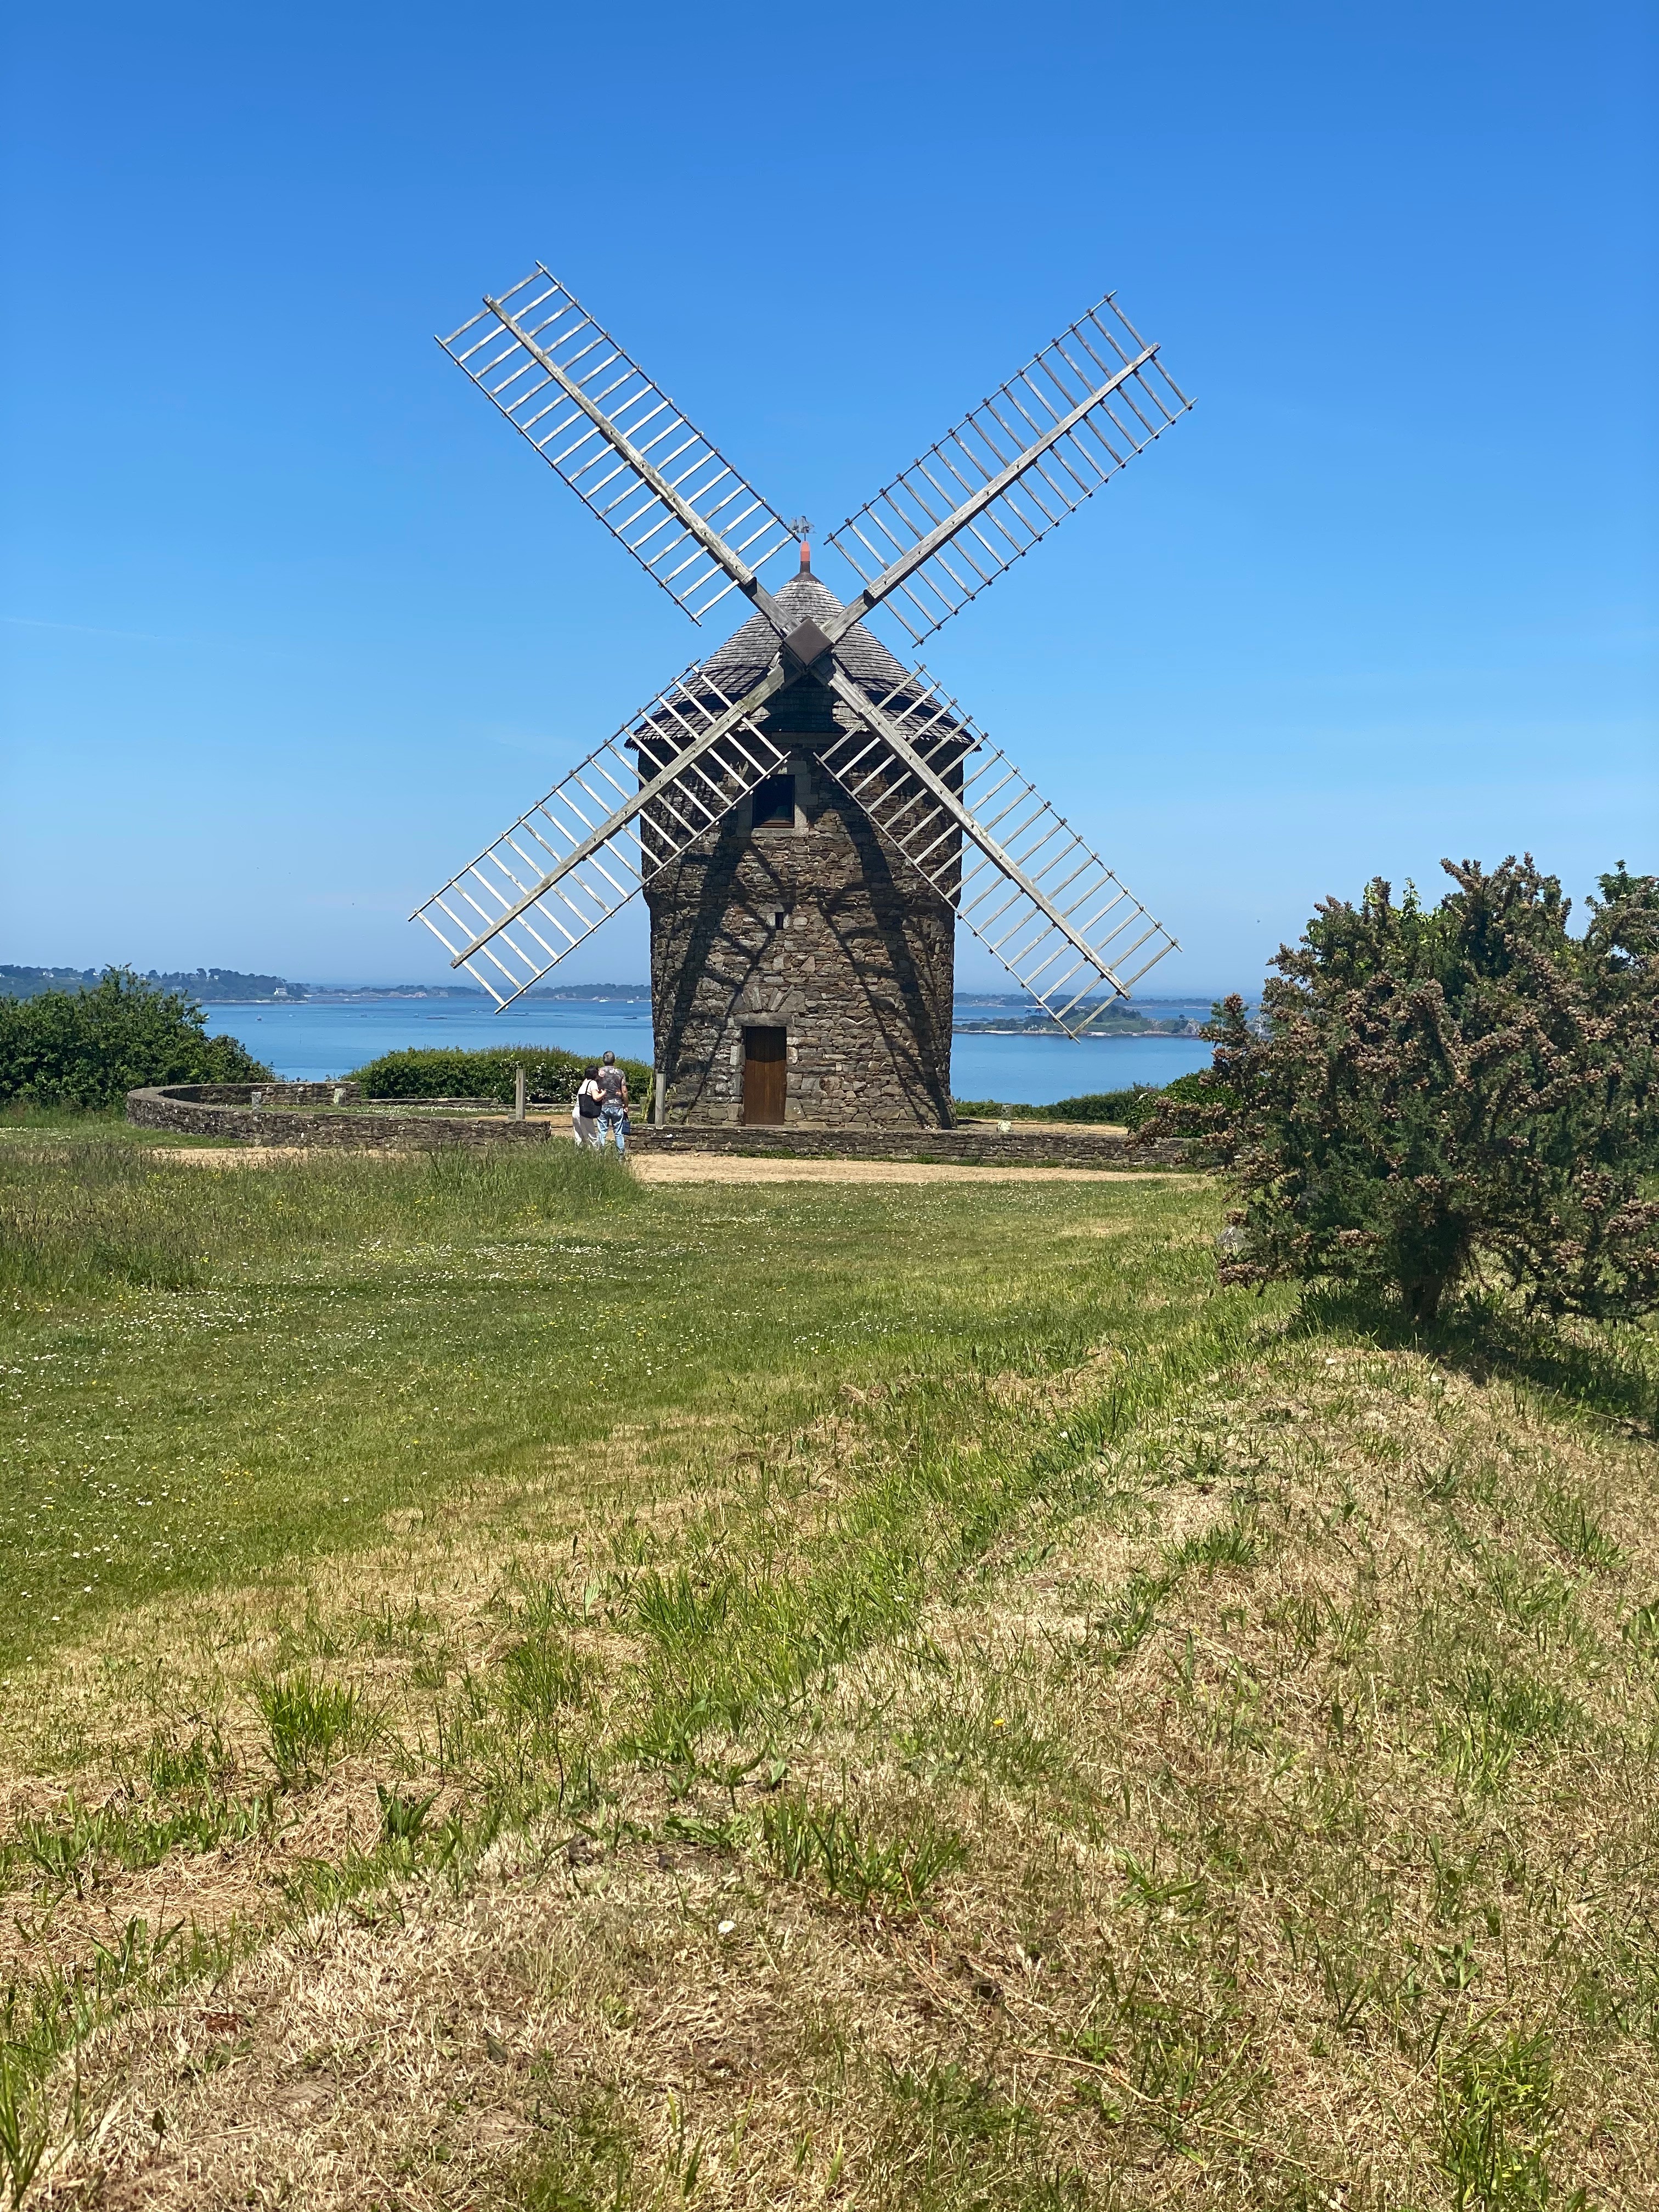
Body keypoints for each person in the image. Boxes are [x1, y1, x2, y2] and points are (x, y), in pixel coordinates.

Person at [595, 1049, 629, 1154]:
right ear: (614, 1060)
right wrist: (626, 1105)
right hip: (617, 1105)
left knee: (602, 1132)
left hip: (603, 1105)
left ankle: (601, 1154)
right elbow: (624, 1091)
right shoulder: (620, 1073)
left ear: (603, 1060)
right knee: (618, 1132)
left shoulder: (599, 1073)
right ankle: (621, 1155)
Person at [572, 1065, 603, 1148]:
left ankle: (580, 1151)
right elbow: (596, 1098)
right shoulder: (593, 1083)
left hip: (576, 1111)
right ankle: (596, 1153)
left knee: (579, 1135)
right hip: (584, 1112)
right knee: (591, 1134)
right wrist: (604, 1094)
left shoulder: (584, 1083)